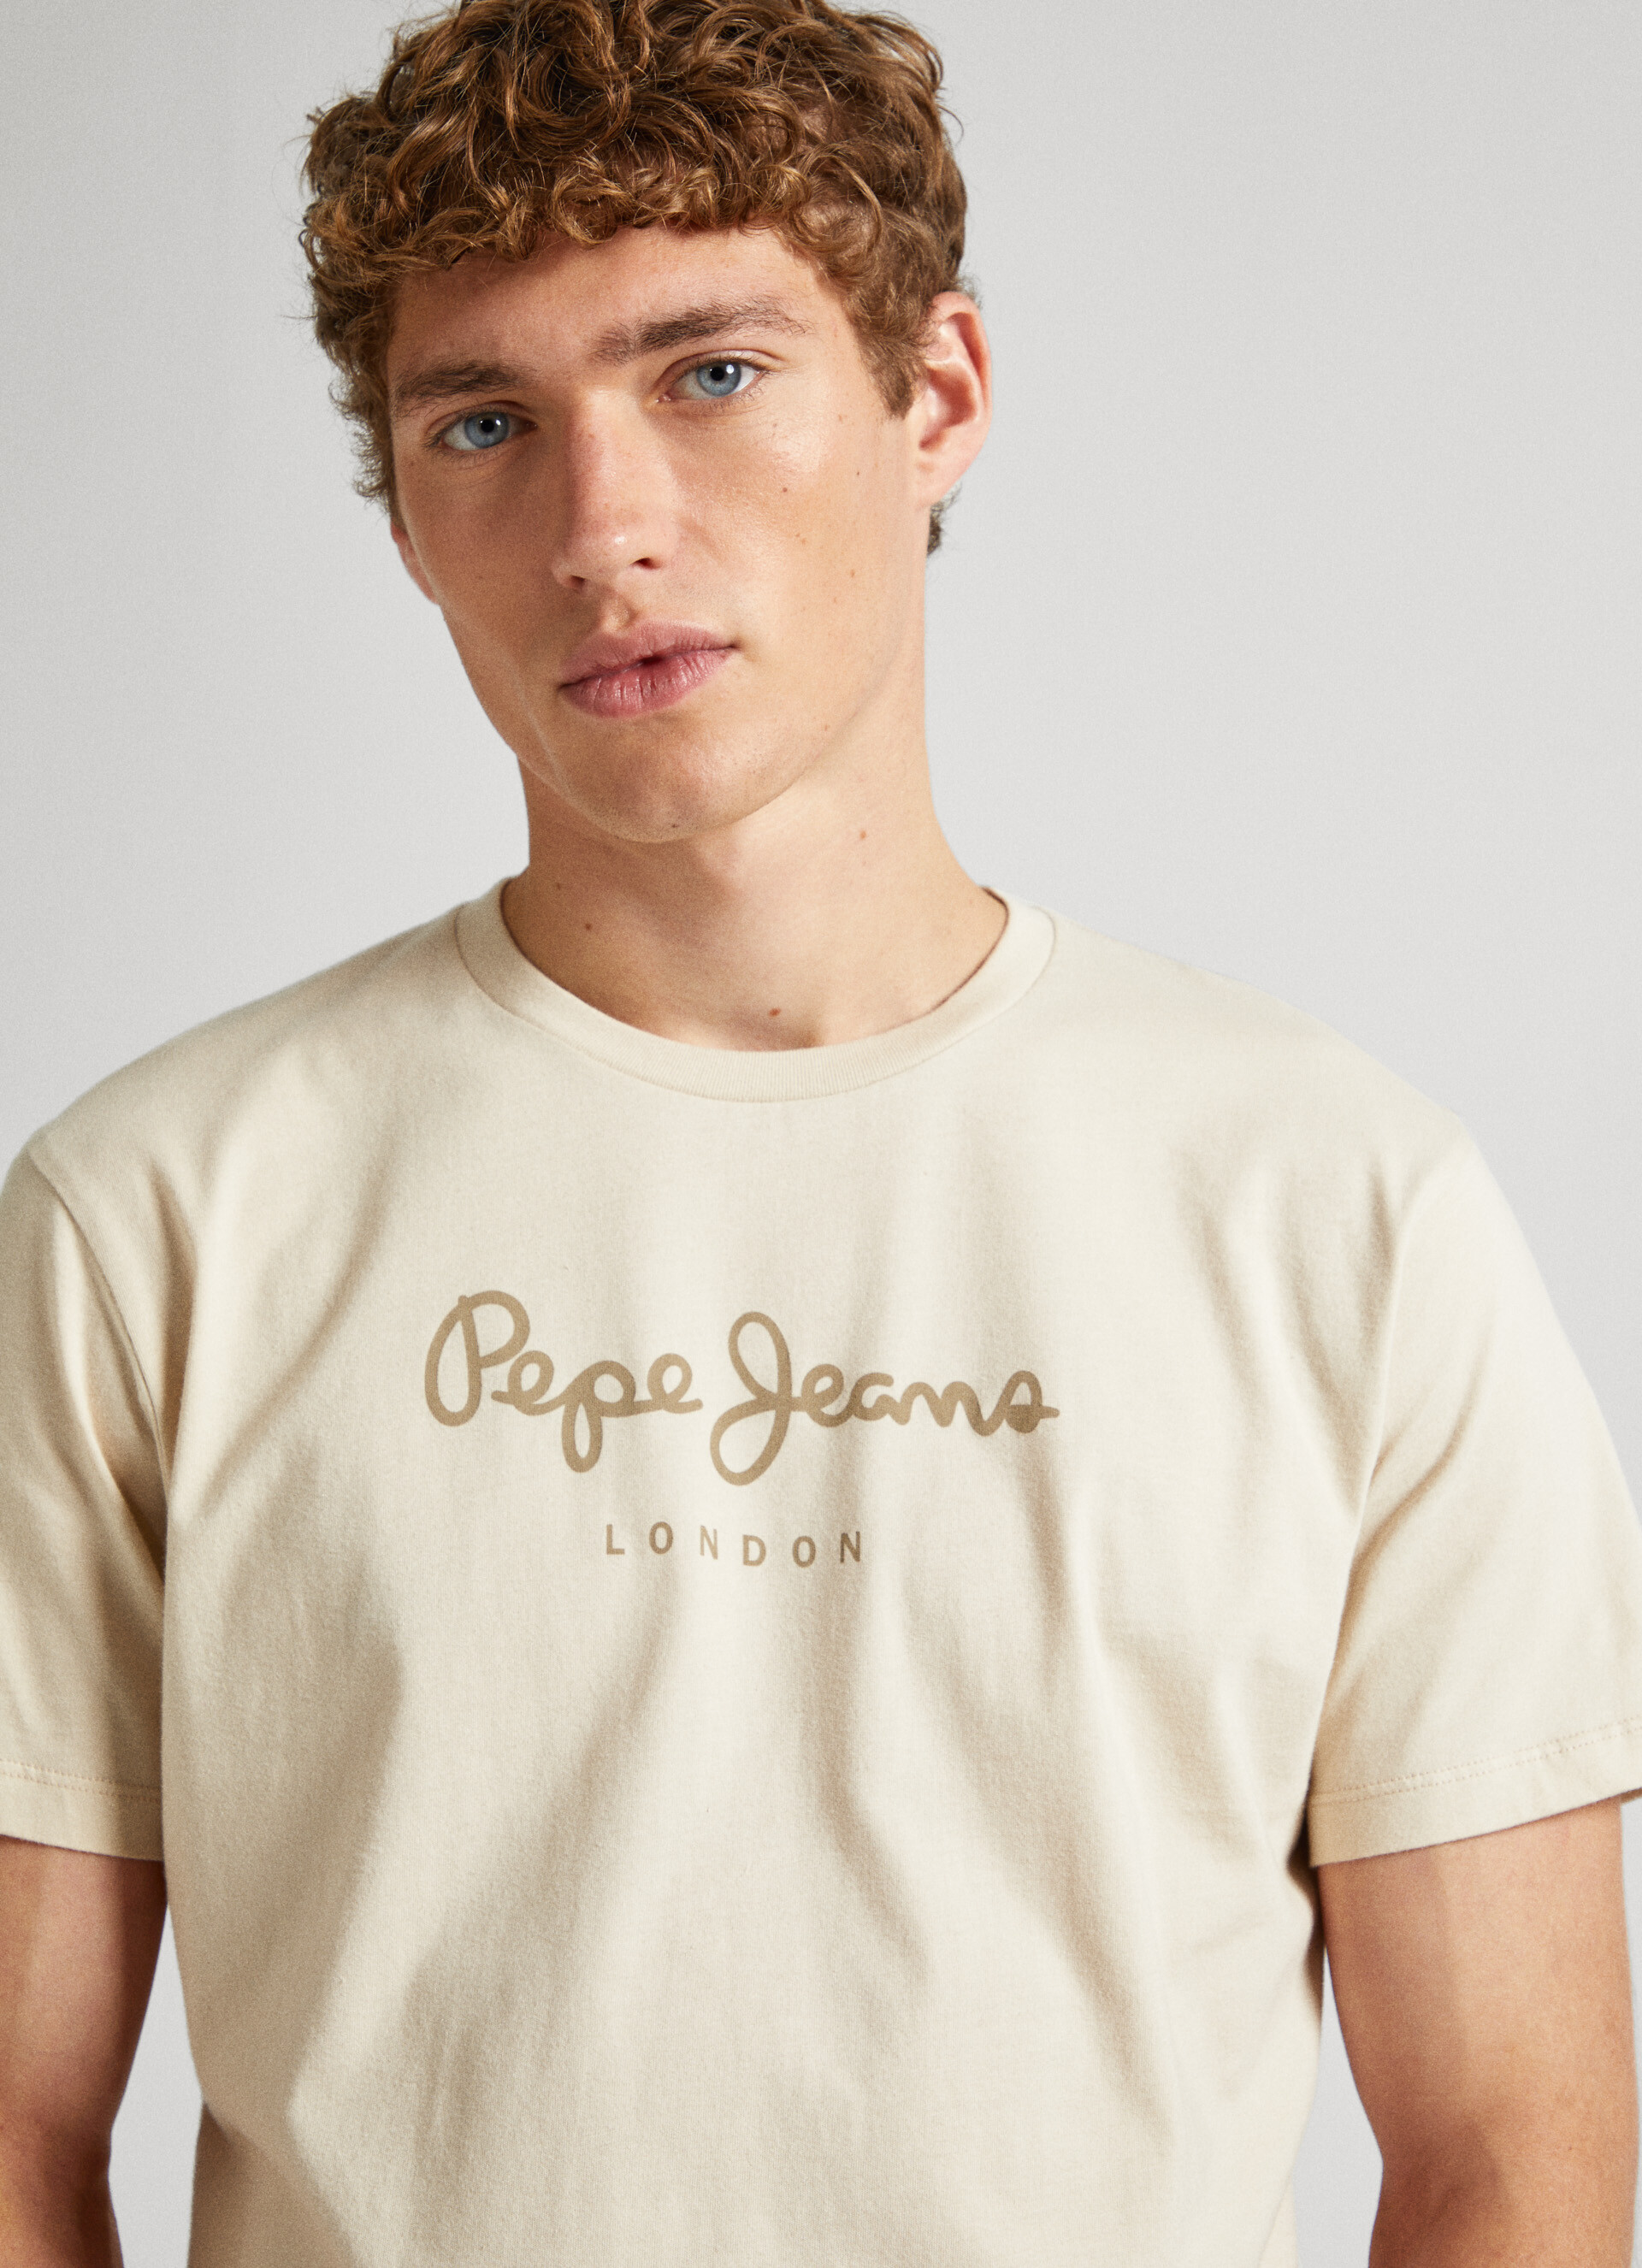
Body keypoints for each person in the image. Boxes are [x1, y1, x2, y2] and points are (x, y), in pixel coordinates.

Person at [2, 0, 1639, 2260]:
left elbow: (1514, 2160)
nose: (603, 528)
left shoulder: (1343, 1212)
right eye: (484, 422)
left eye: (709, 372)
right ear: (407, 516)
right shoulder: (154, 1219)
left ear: (935, 393)